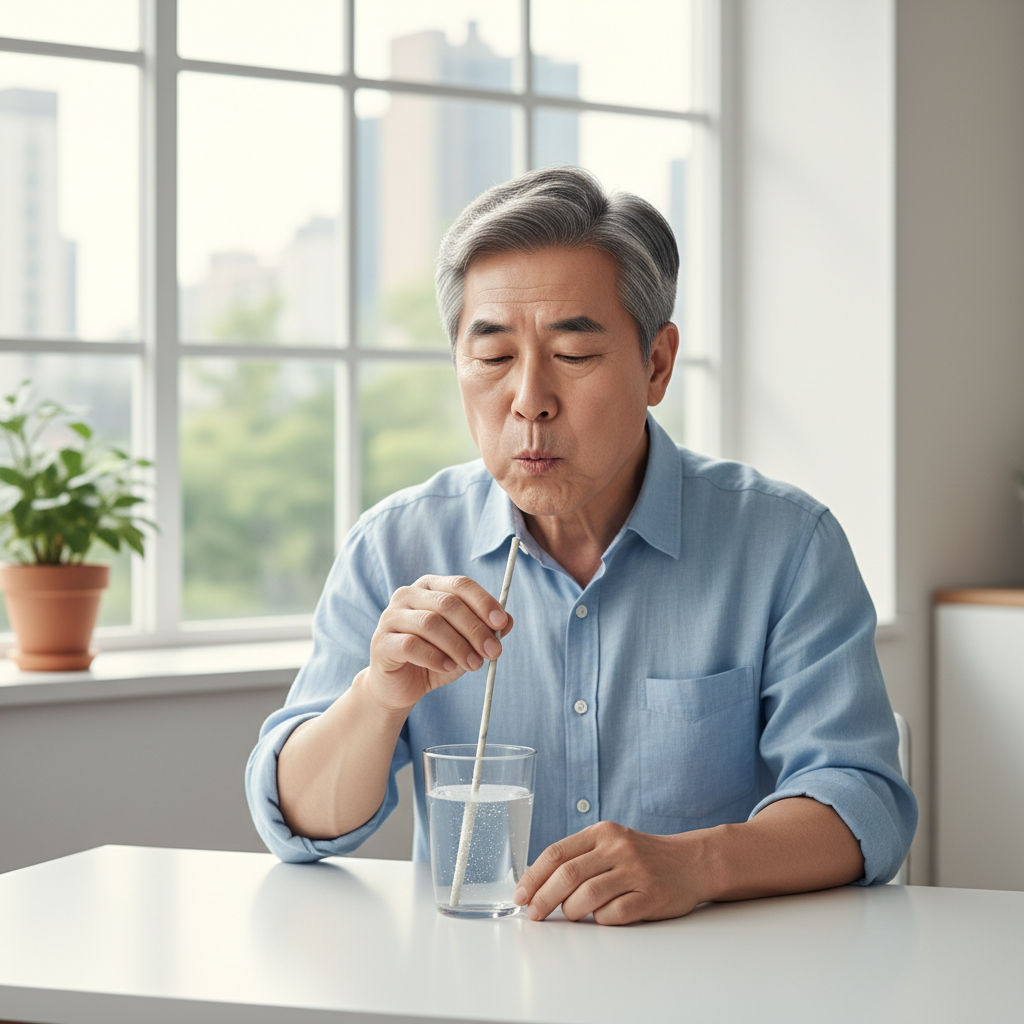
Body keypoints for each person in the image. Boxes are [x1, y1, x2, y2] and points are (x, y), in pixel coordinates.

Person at [246, 166, 917, 925]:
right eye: (493, 357)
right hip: (477, 992)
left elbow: (863, 804)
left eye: (573, 354)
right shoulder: (396, 546)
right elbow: (297, 824)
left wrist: (693, 864)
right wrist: (379, 695)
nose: (529, 400)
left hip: (719, 986)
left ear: (657, 364)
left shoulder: (786, 545)